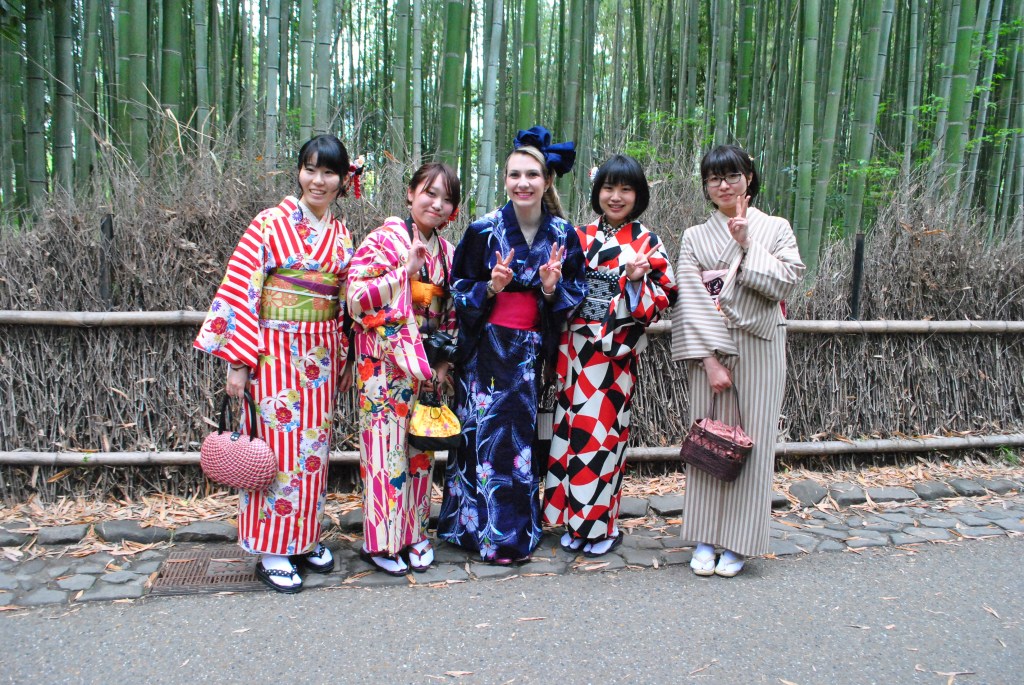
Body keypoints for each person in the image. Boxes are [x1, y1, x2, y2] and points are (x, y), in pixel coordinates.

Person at [194, 134, 357, 593]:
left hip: (322, 355)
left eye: (328, 172)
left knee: (314, 452)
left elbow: (345, 304)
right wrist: (238, 362)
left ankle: (302, 538)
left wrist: (345, 356)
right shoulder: (269, 224)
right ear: (299, 173)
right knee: (279, 451)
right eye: (310, 169)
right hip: (274, 353)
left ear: (343, 180)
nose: (317, 180)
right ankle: (271, 548)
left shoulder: (341, 235)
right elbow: (242, 290)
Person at [437, 126, 586, 565]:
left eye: (532, 175)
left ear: (547, 181)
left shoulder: (563, 233)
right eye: (514, 174)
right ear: (505, 180)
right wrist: (490, 287)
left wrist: (549, 289)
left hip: (527, 352)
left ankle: (513, 534)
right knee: (479, 439)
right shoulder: (483, 229)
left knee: (518, 444)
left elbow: (573, 295)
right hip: (485, 348)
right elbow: (457, 288)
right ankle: (470, 530)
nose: (523, 183)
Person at [671, 144, 805, 577]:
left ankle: (740, 542)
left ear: (749, 177)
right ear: (706, 186)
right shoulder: (694, 236)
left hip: (761, 345)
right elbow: (689, 301)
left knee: (753, 441)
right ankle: (706, 536)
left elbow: (787, 282)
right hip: (711, 347)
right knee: (709, 442)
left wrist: (748, 244)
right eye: (714, 178)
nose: (723, 185)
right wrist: (709, 360)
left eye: (731, 176)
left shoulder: (776, 228)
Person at [543, 154, 677, 556]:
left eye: (625, 189)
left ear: (639, 195)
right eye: (608, 188)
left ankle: (598, 527)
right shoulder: (578, 236)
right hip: (574, 350)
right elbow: (557, 292)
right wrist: (552, 288)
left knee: (600, 439)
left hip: (612, 357)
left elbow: (665, 294)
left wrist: (636, 282)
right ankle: (572, 519)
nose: (615, 197)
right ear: (596, 191)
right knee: (568, 437)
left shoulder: (648, 241)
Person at [346, 163, 461, 576]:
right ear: (410, 193)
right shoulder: (382, 239)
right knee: (383, 452)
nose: (437, 203)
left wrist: (443, 363)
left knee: (419, 452)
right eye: (430, 193)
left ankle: (413, 535)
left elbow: (449, 314)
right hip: (383, 361)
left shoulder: (448, 254)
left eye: (447, 198)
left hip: (425, 366)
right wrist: (404, 274)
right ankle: (380, 542)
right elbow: (356, 299)